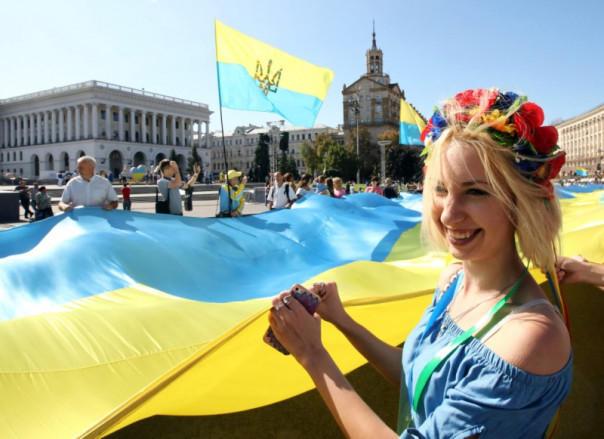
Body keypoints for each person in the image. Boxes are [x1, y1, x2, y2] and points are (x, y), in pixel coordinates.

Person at [266, 88, 572, 438]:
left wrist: (312, 355)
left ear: (520, 202)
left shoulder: (531, 337)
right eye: (441, 189)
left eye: (475, 191)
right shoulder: (453, 280)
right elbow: (419, 378)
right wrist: (341, 319)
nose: (449, 215)